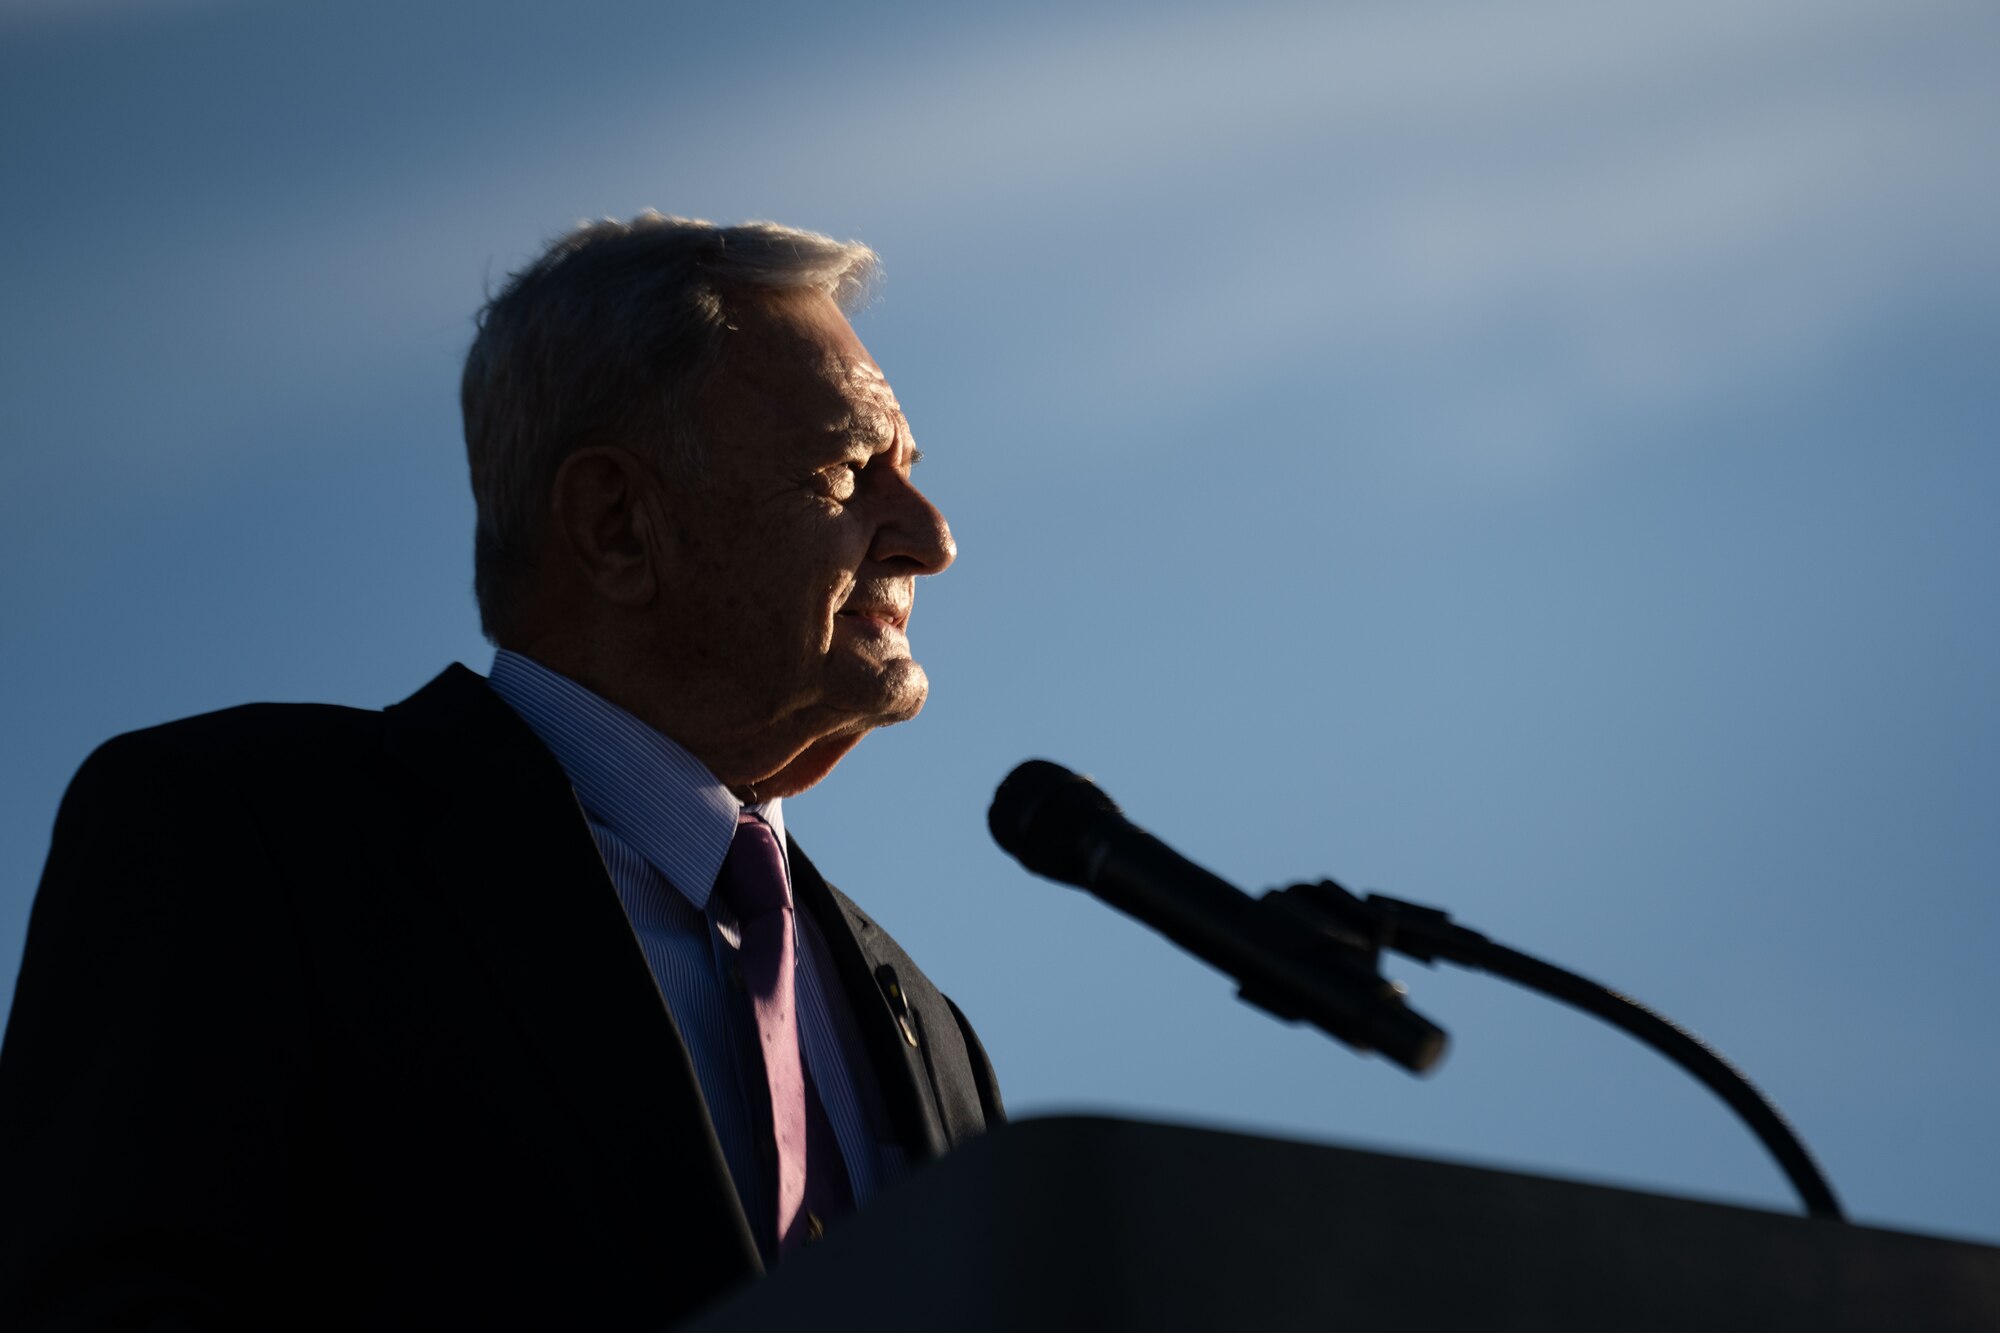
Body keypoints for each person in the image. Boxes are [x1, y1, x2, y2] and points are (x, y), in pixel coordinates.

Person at [0, 214, 1003, 1331]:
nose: (928, 535)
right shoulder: (244, 839)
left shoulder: (931, 1029)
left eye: (907, 471)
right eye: (850, 470)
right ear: (617, 523)